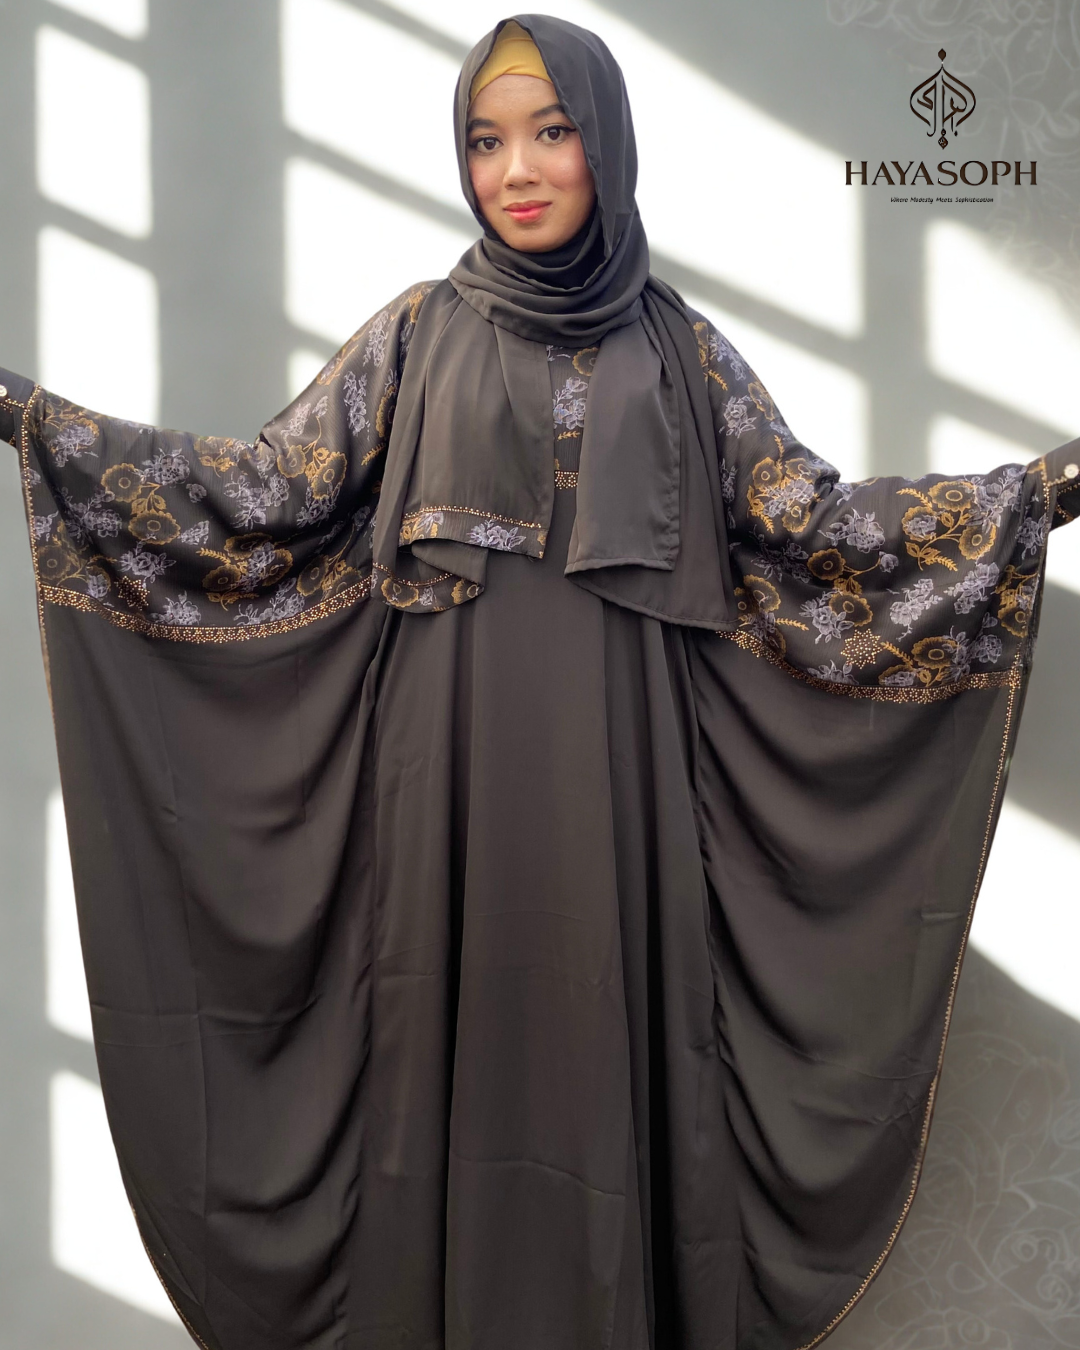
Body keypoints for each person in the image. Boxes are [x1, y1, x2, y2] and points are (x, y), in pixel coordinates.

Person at [1, 13, 1078, 1350]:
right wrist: (42, 426)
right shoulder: (416, 335)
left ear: (605, 143)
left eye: (551, 131)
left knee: (600, 1028)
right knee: (443, 1023)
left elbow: (814, 527)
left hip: (623, 778)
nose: (516, 169)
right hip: (441, 772)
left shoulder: (682, 353)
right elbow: (264, 493)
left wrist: (1027, 498)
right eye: (486, 139)